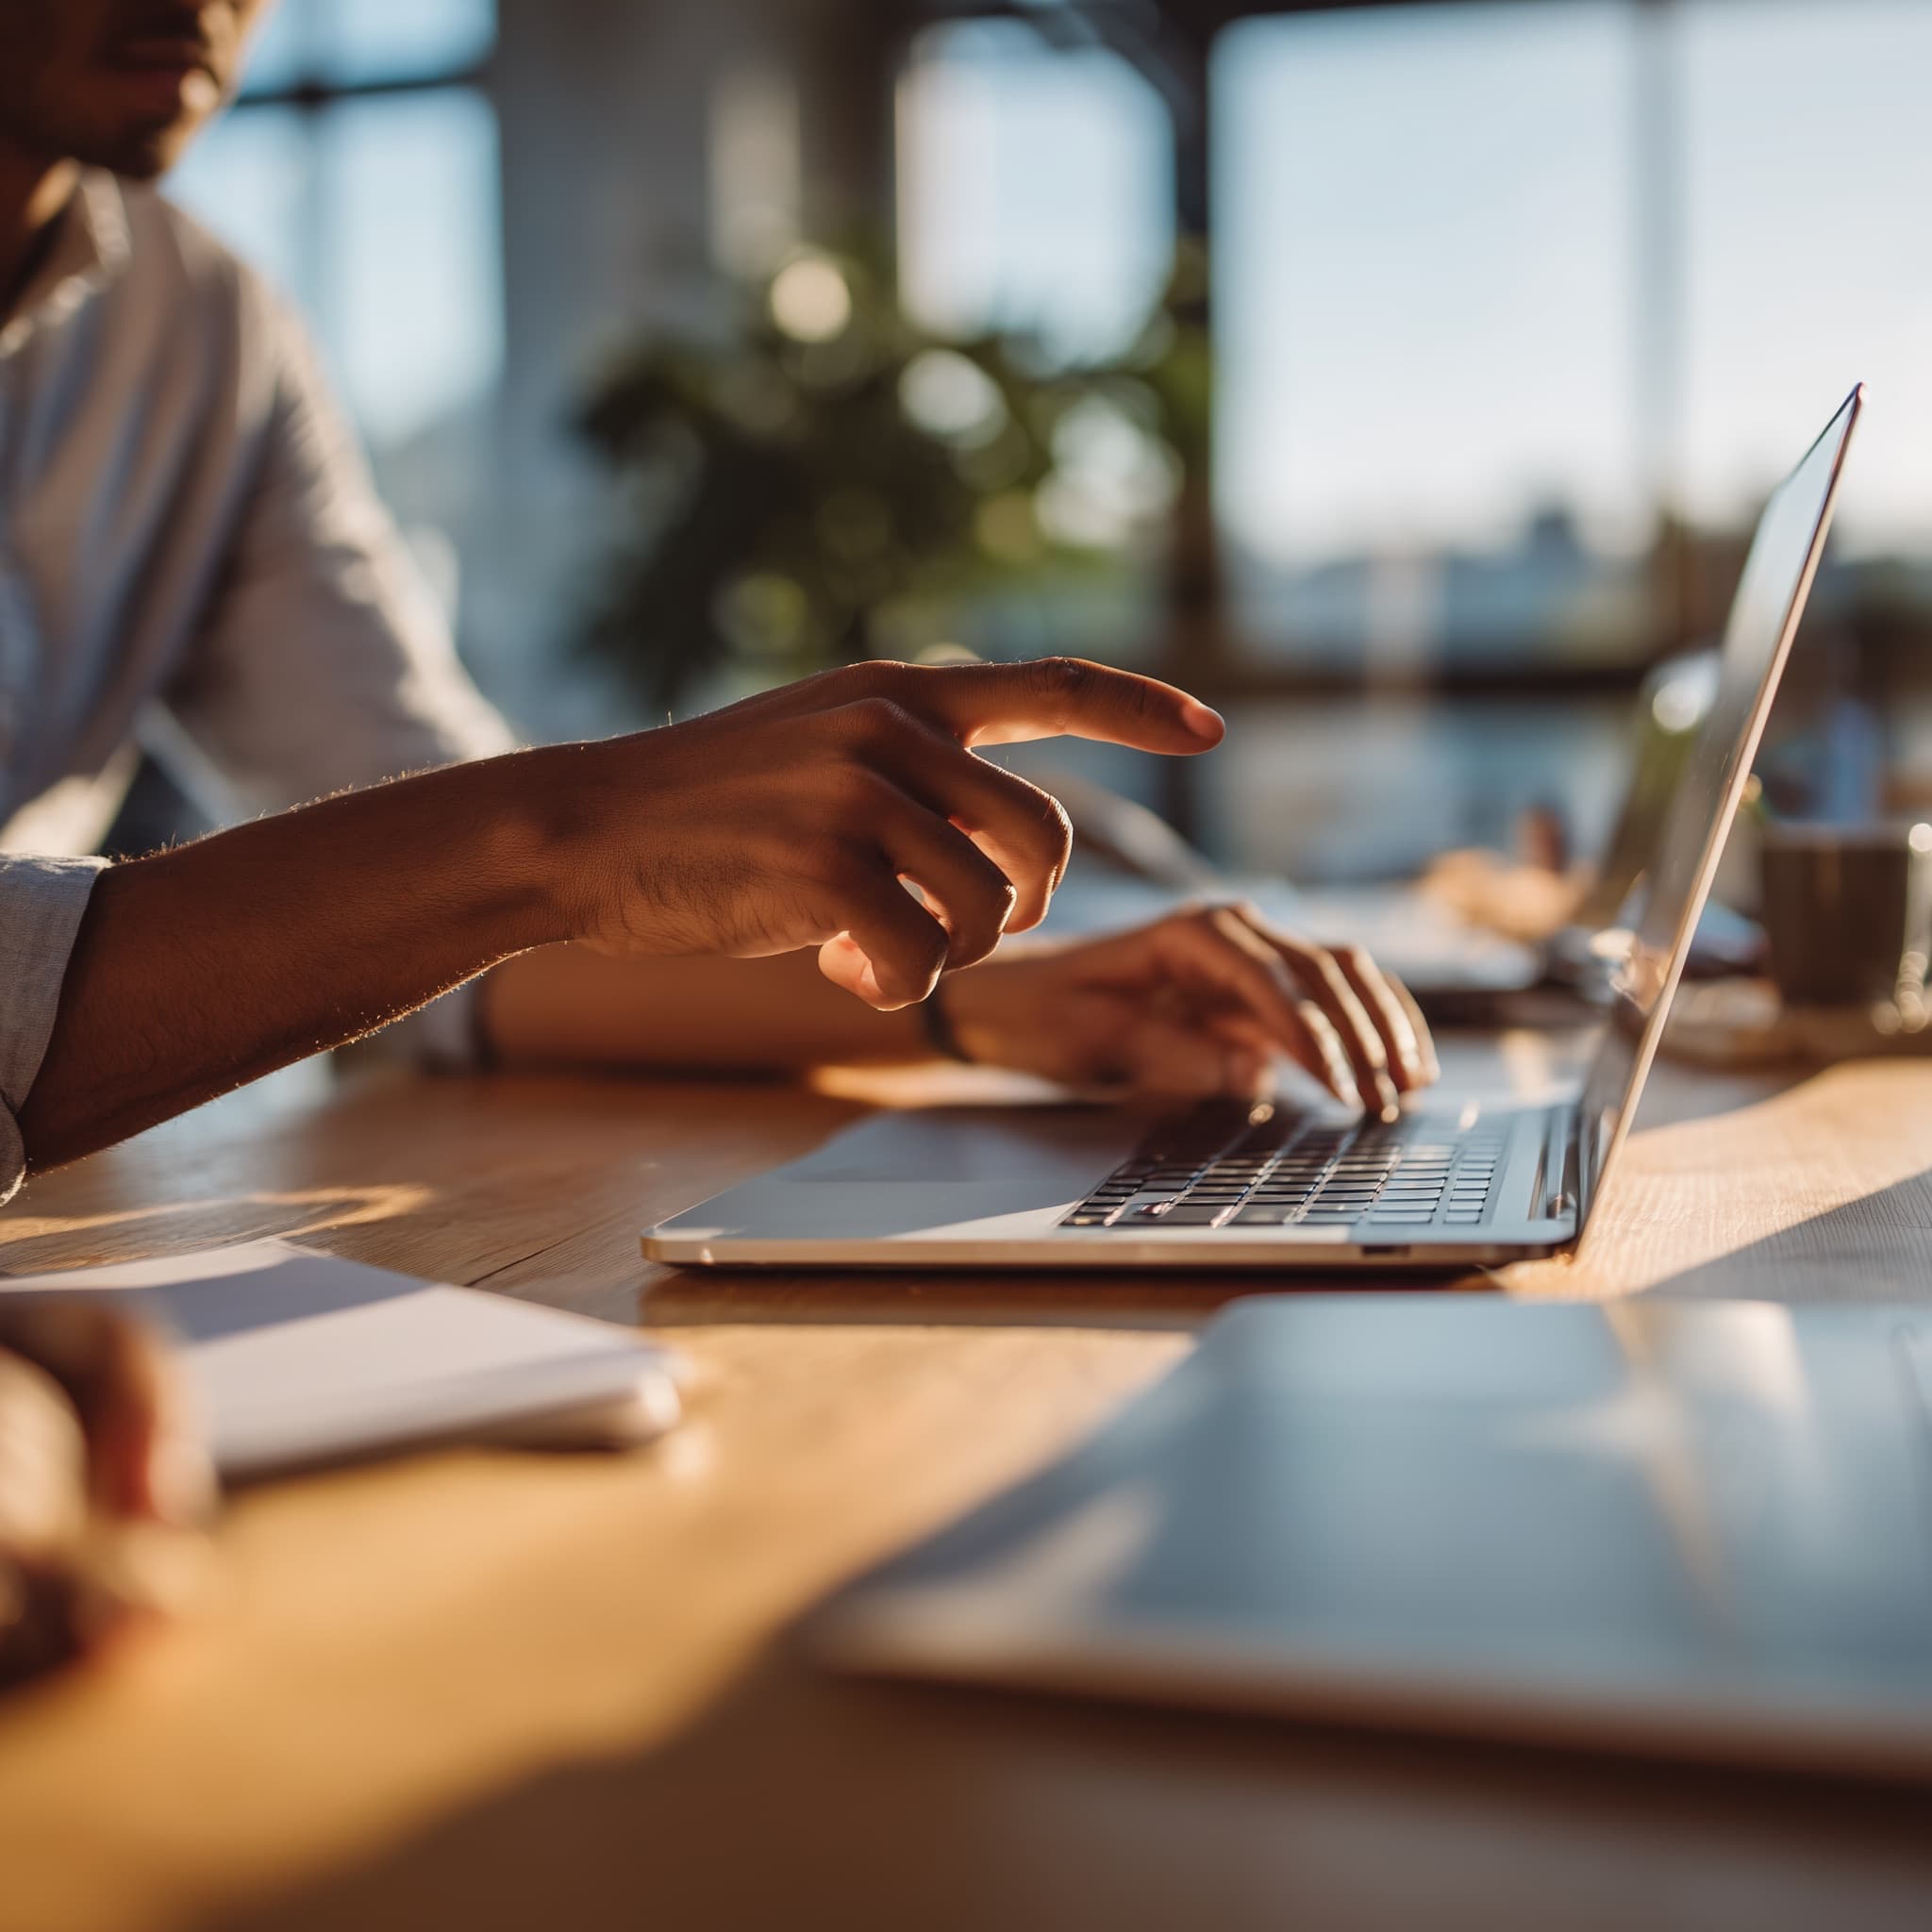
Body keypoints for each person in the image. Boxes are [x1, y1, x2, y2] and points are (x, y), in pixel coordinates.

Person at [0, 1, 1435, 1678]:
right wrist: (560, 832)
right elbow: (504, 867)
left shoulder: (201, 330)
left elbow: (449, 946)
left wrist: (983, 1007)